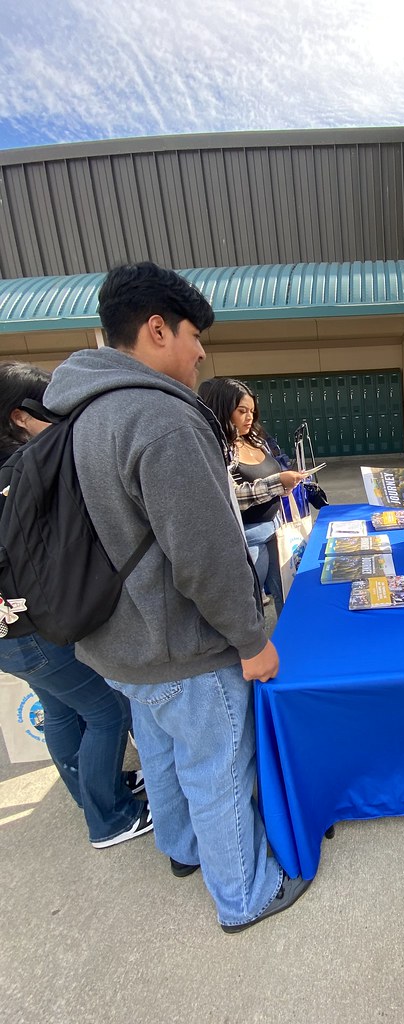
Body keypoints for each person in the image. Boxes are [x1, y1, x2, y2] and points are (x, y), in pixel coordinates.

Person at [43, 262, 311, 932]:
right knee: (217, 768)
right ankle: (243, 896)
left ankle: (183, 850)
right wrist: (252, 642)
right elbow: (207, 556)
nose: (200, 353)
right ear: (156, 328)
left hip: (119, 644)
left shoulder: (79, 412)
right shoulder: (161, 418)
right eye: (195, 337)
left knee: (161, 753)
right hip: (183, 647)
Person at [0, 361, 151, 848]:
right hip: (29, 629)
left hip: (12, 636)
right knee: (108, 712)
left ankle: (93, 794)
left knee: (62, 712)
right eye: (50, 406)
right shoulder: (17, 473)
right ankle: (110, 818)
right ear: (20, 416)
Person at [199, 378, 306, 617]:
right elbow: (230, 495)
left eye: (252, 411)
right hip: (249, 540)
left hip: (276, 531)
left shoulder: (255, 440)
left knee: (287, 596)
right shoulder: (215, 448)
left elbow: (272, 477)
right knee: (250, 609)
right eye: (241, 411)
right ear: (222, 410)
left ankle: (287, 649)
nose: (249, 417)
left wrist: (285, 484)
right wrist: (277, 482)